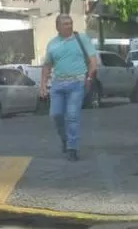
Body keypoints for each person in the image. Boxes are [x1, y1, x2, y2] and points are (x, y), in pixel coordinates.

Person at [39, 14, 98, 161]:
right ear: (57, 27)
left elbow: (92, 62)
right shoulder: (52, 44)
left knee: (72, 115)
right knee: (56, 115)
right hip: (58, 84)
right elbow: (47, 66)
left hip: (77, 83)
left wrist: (89, 78)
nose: (69, 26)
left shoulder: (82, 39)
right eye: (65, 24)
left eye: (70, 23)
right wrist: (43, 86)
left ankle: (73, 148)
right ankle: (65, 139)